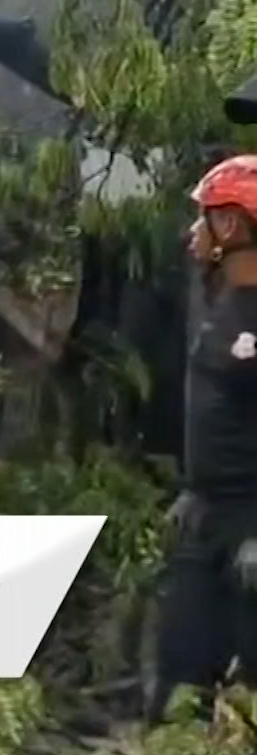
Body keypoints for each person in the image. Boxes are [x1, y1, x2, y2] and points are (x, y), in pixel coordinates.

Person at [150, 154, 257, 721]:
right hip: (207, 519)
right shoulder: (221, 306)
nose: (193, 230)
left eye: (204, 217)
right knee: (178, 686)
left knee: (246, 701)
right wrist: (196, 486)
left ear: (232, 226)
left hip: (249, 529)